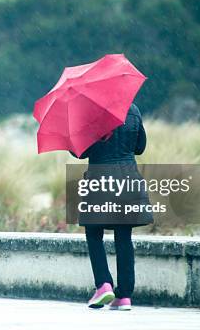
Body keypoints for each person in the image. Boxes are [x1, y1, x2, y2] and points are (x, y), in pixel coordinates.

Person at [70, 103, 153, 311]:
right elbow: (140, 147)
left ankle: (103, 284)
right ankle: (124, 296)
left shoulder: (88, 112)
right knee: (123, 236)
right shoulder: (133, 109)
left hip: (100, 180)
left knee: (93, 233)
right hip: (128, 178)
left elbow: (81, 153)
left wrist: (73, 137)